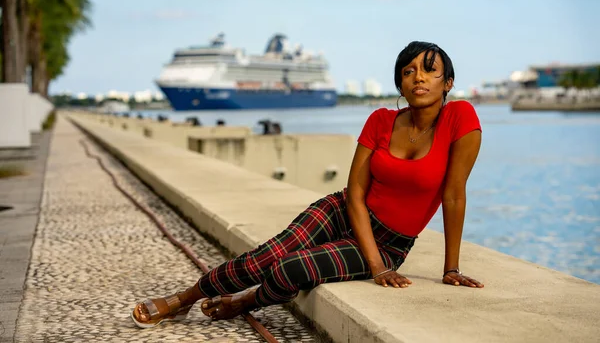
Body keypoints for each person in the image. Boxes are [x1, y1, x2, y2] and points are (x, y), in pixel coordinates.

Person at [131, 41, 484, 328]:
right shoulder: (380, 120)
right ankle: (183, 300)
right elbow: (356, 194)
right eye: (408, 72)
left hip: (392, 242)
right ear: (400, 84)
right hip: (341, 211)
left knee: (290, 268)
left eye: (429, 70)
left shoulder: (460, 118)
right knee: (265, 258)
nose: (418, 78)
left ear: (448, 82)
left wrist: (450, 268)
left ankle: (245, 301)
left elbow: (453, 196)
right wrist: (376, 267)